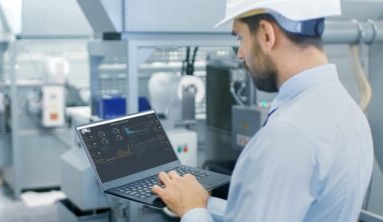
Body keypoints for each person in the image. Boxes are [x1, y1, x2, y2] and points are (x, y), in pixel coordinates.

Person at [152, 0, 374, 221]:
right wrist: (202, 202)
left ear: (267, 35)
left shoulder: (287, 134)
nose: (240, 54)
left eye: (240, 37)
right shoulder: (349, 110)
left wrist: (193, 212)